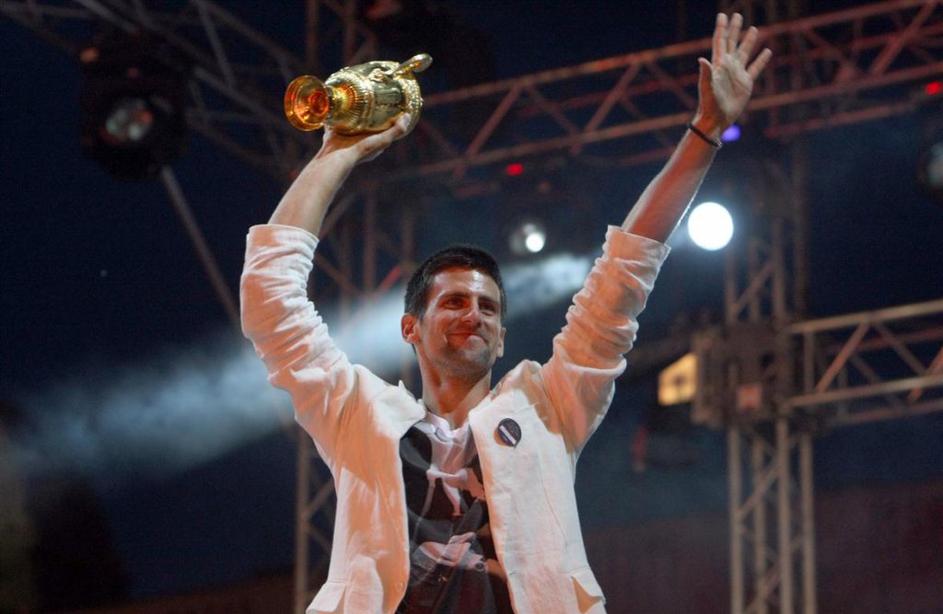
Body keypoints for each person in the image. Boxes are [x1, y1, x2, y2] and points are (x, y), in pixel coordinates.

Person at [241, 13, 771, 614]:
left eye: (488, 306)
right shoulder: (358, 414)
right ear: (410, 328)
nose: (474, 313)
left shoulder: (551, 407)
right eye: (454, 301)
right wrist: (337, 152)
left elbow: (627, 270)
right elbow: (270, 298)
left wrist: (704, 132)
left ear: (501, 339)